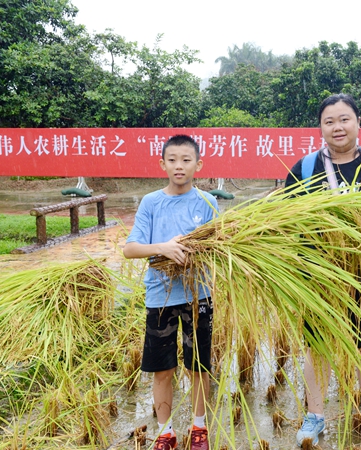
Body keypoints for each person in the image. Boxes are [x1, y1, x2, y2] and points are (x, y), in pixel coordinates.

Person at [285, 93, 361, 450]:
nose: (337, 127)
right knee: (317, 349)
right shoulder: (303, 169)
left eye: (344, 119)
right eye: (329, 121)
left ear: (359, 123)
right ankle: (315, 415)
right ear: (320, 128)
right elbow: (287, 223)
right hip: (320, 277)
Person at [123, 134, 218, 450]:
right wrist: (163, 247)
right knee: (162, 368)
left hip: (198, 295)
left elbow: (220, 247)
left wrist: (196, 251)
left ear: (198, 165)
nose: (179, 166)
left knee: (199, 366)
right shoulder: (151, 202)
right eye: (173, 160)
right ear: (162, 163)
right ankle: (165, 432)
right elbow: (130, 249)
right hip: (160, 297)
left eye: (186, 160)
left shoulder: (207, 202)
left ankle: (199, 428)